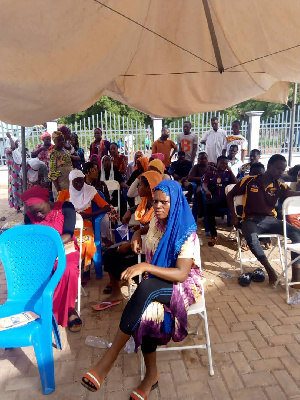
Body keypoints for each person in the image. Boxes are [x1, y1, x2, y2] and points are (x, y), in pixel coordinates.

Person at [81, 180, 205, 398]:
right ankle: (152, 375)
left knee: (146, 287)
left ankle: (108, 360)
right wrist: (137, 235)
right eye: (155, 201)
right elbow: (144, 228)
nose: (157, 206)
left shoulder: (187, 233)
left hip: (182, 285)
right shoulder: (159, 221)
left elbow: (181, 274)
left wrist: (145, 265)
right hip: (157, 280)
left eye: (163, 202)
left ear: (175, 202)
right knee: (148, 312)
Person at [227, 154, 300, 286]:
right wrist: (233, 215)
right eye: (278, 169)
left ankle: (296, 277)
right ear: (269, 166)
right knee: (251, 237)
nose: (281, 172)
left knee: (297, 233)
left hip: (270, 220)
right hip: (251, 220)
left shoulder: (279, 185)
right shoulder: (249, 180)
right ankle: (270, 270)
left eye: (282, 170)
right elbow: (230, 195)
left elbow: (291, 193)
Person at [21, 186, 82, 332]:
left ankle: (68, 310)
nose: (39, 215)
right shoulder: (29, 217)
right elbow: (32, 238)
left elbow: (68, 234)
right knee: (33, 273)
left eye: (41, 210)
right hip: (42, 253)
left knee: (68, 270)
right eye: (35, 212)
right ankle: (45, 308)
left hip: (66, 250)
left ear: (48, 200)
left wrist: (50, 249)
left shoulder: (66, 207)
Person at [100, 171, 163, 306]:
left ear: (148, 188)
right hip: (142, 243)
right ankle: (123, 286)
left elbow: (156, 231)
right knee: (113, 251)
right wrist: (135, 225)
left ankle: (126, 288)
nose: (138, 188)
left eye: (140, 185)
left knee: (111, 254)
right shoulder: (147, 202)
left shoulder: (159, 208)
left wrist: (130, 243)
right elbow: (132, 197)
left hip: (151, 251)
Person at [58, 170, 110, 272]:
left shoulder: (89, 191)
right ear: (70, 182)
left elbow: (106, 207)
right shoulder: (64, 194)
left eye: (81, 181)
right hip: (69, 224)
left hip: (85, 222)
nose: (79, 185)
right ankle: (70, 269)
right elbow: (58, 212)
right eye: (76, 182)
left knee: (86, 241)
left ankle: (84, 270)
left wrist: (89, 215)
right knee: (65, 241)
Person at [202, 155, 238, 246]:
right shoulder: (210, 173)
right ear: (217, 163)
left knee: (240, 207)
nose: (224, 165)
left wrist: (230, 171)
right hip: (215, 197)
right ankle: (213, 234)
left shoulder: (228, 174)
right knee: (209, 204)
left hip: (227, 198)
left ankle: (241, 235)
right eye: (222, 163)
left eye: (226, 163)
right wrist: (207, 191)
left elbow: (237, 184)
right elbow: (204, 184)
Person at [188, 152, 216, 218]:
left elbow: (218, 175)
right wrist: (203, 178)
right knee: (199, 191)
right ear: (198, 160)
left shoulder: (211, 168)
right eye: (201, 159)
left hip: (210, 186)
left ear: (207, 159)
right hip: (200, 184)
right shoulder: (196, 167)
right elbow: (190, 178)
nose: (203, 160)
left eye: (205, 158)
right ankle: (201, 210)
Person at [48, 131, 73, 199]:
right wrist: (58, 188)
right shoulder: (53, 154)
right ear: (54, 141)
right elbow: (52, 172)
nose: (62, 141)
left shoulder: (66, 151)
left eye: (63, 140)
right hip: (60, 184)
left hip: (69, 182)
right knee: (61, 205)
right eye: (59, 140)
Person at [5, 132, 23, 211]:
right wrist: (10, 138)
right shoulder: (8, 150)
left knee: (20, 188)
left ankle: (20, 205)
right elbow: (12, 147)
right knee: (15, 189)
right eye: (16, 143)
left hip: (19, 173)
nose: (17, 145)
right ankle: (17, 206)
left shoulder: (16, 152)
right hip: (14, 174)